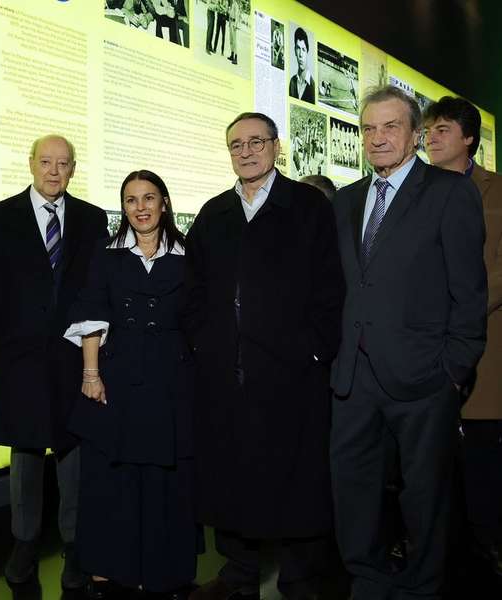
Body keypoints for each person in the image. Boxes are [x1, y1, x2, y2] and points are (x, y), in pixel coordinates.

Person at [330, 86, 487, 600]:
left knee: (425, 496)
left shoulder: (448, 192)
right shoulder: (348, 200)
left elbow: (468, 292)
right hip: (353, 379)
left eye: (390, 126)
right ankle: (367, 578)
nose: (377, 138)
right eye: (368, 128)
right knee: (354, 491)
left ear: (416, 134)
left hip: (424, 380)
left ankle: (423, 588)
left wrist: (454, 371)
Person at [185, 112, 344, 600]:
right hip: (227, 376)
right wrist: (204, 348)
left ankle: (298, 576)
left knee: (296, 478)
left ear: (277, 146)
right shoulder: (214, 213)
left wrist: (315, 353)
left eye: (257, 141)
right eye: (237, 144)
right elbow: (194, 292)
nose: (247, 151)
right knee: (231, 476)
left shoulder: (308, 207)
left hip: (292, 374)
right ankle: (239, 571)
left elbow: (330, 288)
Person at [0, 135, 109, 590]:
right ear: (31, 164)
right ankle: (25, 542)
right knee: (26, 453)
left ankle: (74, 545)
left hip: (74, 359)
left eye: (63, 164)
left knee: (74, 453)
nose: (54, 171)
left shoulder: (93, 220)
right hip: (19, 360)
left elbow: (98, 288)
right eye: (46, 162)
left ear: (74, 169)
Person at [64, 170, 196, 600]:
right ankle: (108, 568)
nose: (140, 207)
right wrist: (90, 375)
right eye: (131, 200)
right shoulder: (106, 254)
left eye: (149, 198)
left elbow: (199, 320)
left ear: (164, 203)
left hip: (171, 381)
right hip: (115, 381)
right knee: (112, 479)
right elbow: (91, 316)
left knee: (164, 481)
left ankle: (161, 571)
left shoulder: (187, 254)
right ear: (123, 208)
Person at [424, 96, 502, 579]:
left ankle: (488, 548)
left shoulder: (495, 191)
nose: (431, 137)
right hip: (420, 352)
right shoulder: (413, 191)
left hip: (483, 350)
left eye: (443, 129)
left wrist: (458, 311)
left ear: (470, 138)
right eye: (428, 129)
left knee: (483, 460)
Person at [288, 27, 314, 103]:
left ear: (307, 52)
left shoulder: (313, 87)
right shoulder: (292, 81)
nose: (300, 55)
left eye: (303, 49)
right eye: (298, 48)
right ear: (295, 51)